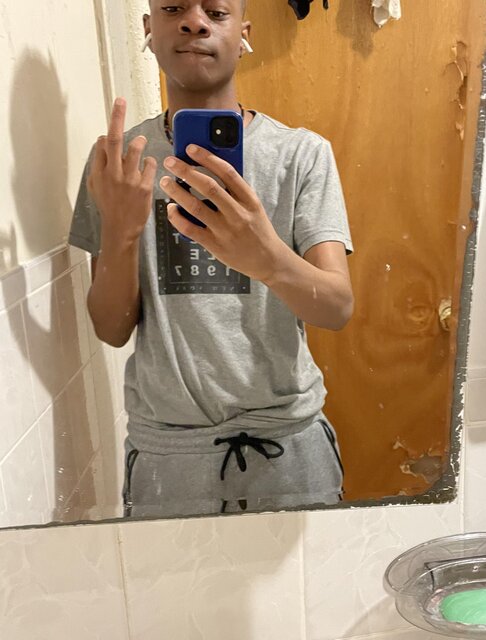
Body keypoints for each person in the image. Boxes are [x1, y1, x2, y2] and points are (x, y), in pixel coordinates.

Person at [68, 0, 353, 517]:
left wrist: (266, 256)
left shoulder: (301, 154)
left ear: (244, 34)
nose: (194, 22)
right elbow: (111, 328)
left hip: (289, 445)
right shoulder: (117, 162)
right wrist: (122, 234)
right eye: (173, 8)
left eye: (217, 12)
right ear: (149, 28)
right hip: (168, 456)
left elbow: (336, 307)